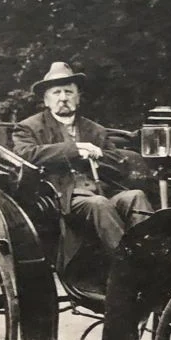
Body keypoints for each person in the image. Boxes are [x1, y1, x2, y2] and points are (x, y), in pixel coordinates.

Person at [12, 61, 154, 272]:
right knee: (99, 204)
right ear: (46, 99)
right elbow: (25, 155)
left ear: (78, 97)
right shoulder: (30, 127)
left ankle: (153, 258)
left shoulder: (95, 129)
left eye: (69, 92)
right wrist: (74, 149)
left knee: (135, 196)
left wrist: (100, 155)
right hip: (64, 197)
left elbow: (119, 165)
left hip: (102, 190)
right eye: (57, 92)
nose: (63, 98)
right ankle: (130, 270)